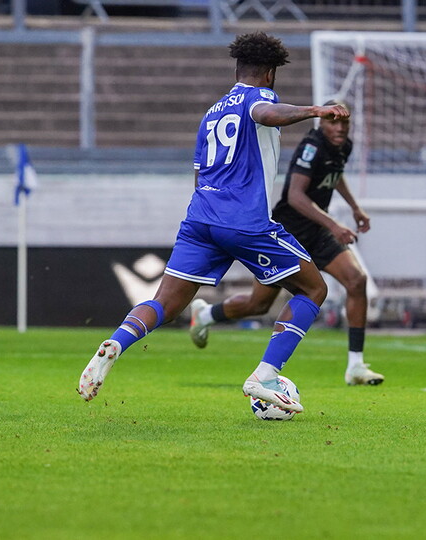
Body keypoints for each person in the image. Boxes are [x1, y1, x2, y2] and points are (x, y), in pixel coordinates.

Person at [77, 32, 351, 413]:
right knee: (313, 290)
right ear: (269, 73)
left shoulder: (211, 113)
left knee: (165, 304)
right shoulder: (260, 97)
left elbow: (198, 175)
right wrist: (314, 110)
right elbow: (265, 114)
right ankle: (266, 374)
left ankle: (117, 342)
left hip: (200, 220)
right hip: (244, 221)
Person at [187, 99, 384, 386]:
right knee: (258, 304)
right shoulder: (311, 147)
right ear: (321, 122)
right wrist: (335, 224)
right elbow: (295, 196)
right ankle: (206, 314)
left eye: (344, 122)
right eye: (333, 121)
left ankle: (355, 365)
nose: (339, 127)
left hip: (318, 230)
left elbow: (335, 174)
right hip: (290, 231)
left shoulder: (343, 145)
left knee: (356, 280)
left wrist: (354, 207)